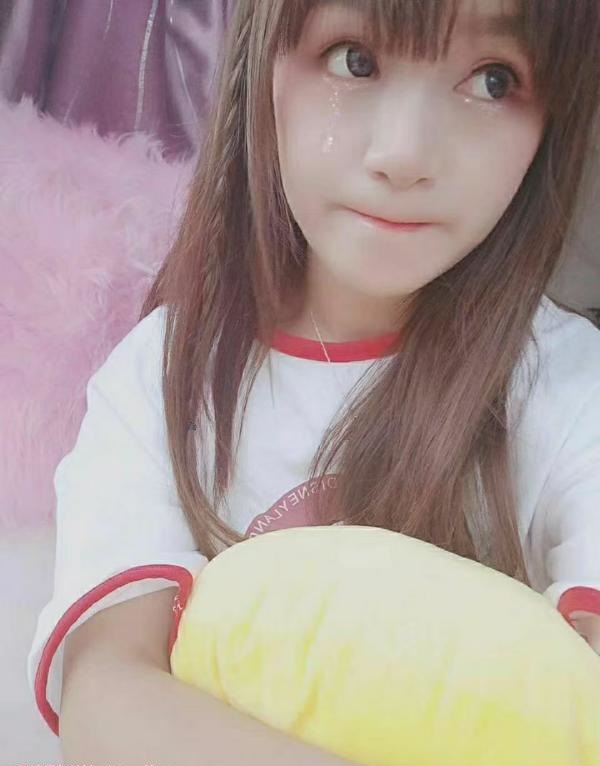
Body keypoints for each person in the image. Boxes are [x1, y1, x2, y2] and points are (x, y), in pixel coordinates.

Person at [28, 0, 600, 762]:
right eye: (355, 60)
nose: (404, 153)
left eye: (493, 80)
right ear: (262, 62)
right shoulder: (163, 377)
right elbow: (105, 699)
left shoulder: (566, 387)